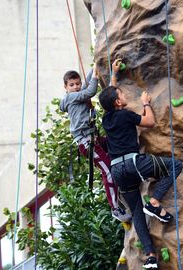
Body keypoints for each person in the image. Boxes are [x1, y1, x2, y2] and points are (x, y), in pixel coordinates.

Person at [98, 82, 182, 269]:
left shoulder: (107, 119)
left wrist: (113, 73)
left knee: (136, 211)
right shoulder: (125, 115)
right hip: (133, 164)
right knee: (175, 165)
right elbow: (150, 122)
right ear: (118, 102)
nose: (125, 95)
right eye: (122, 94)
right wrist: (145, 103)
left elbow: (108, 97)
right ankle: (154, 202)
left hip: (117, 171)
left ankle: (150, 256)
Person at [59, 64, 131, 222]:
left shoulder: (78, 93)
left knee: (115, 145)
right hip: (87, 142)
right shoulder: (71, 97)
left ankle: (122, 188)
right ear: (65, 87)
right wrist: (96, 77)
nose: (76, 87)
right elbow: (90, 91)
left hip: (93, 138)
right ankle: (115, 208)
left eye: (77, 84)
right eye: (72, 85)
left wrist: (95, 65)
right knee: (109, 171)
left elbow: (86, 85)